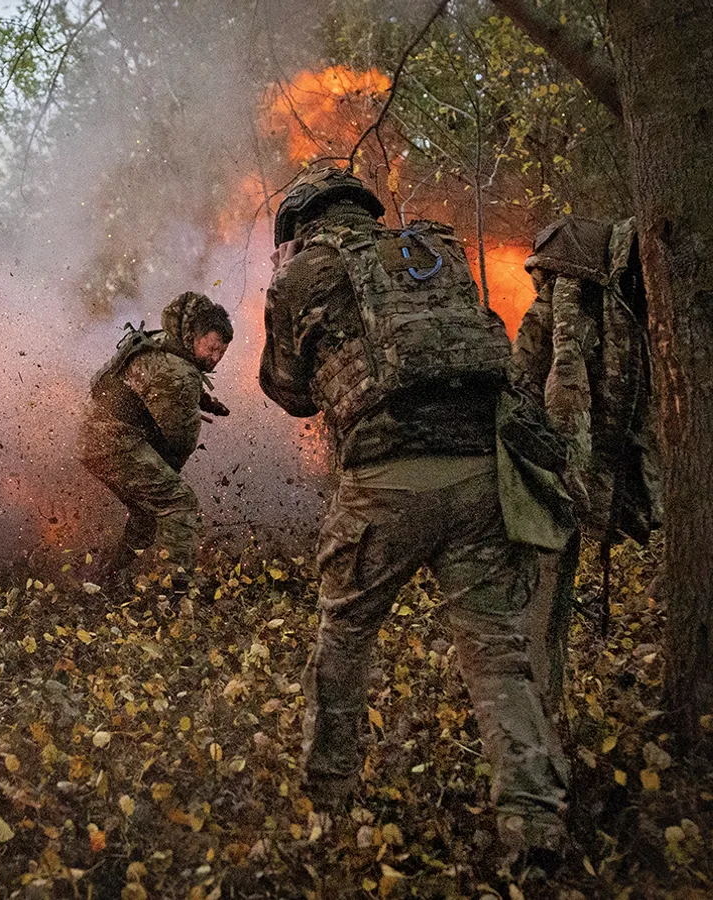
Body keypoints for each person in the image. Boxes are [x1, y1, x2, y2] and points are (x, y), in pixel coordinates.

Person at [259, 166, 568, 862]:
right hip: (481, 475)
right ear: (367, 214)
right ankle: (533, 820)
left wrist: (284, 293)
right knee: (496, 651)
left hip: (384, 484)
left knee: (344, 635)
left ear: (302, 225)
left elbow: (288, 391)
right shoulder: (428, 253)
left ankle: (327, 799)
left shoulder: (302, 274)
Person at [511, 216, 661, 709]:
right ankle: (543, 711)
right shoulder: (619, 301)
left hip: (550, 478)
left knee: (543, 597)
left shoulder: (566, 305)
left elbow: (527, 381)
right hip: (571, 474)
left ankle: (540, 713)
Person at [79, 291, 232, 589]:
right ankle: (175, 594)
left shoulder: (163, 341)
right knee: (180, 502)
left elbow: (155, 383)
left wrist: (203, 401)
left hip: (95, 434)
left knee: (146, 516)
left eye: (220, 353)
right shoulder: (181, 371)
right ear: (193, 336)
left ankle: (104, 580)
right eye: (210, 348)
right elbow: (180, 444)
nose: (213, 359)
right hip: (114, 442)